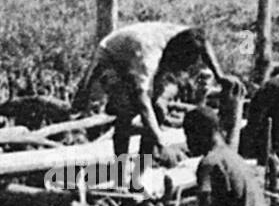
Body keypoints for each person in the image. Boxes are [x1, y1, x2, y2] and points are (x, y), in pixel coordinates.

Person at [72, 22, 233, 169]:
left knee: (159, 109)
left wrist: (219, 75)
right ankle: (119, 171)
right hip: (113, 57)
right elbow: (142, 101)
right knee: (126, 113)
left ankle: (141, 170)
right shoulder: (147, 57)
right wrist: (161, 142)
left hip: (141, 47)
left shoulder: (185, 35)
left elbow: (204, 43)